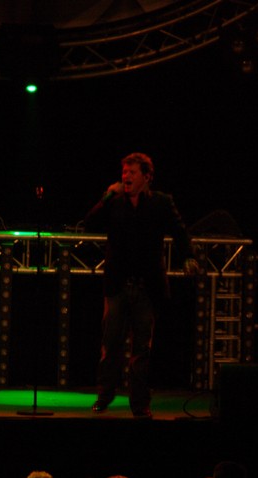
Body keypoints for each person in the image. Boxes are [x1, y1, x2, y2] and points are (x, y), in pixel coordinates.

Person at [81, 152, 199, 418]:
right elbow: (89, 224)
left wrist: (188, 256)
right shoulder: (114, 202)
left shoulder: (161, 202)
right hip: (118, 285)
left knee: (141, 349)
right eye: (124, 172)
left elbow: (180, 232)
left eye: (132, 172)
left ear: (146, 177)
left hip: (147, 287)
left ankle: (140, 403)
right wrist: (106, 196)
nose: (126, 176)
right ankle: (105, 394)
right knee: (111, 343)